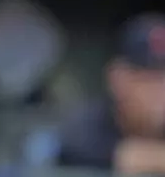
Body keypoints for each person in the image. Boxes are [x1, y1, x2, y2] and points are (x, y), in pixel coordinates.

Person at [58, 12, 165, 175]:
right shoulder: (85, 126)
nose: (161, 91)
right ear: (118, 78)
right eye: (150, 79)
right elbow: (128, 157)